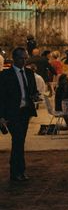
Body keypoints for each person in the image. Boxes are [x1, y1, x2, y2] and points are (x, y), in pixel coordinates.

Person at [0, 47, 39, 182]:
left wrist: (33, 96)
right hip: (12, 113)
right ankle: (17, 171)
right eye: (22, 58)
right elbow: (2, 97)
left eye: (25, 58)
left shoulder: (29, 73)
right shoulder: (5, 75)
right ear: (15, 59)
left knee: (19, 141)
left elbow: (33, 90)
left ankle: (19, 171)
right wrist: (2, 116)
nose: (24, 61)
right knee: (17, 140)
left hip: (25, 112)